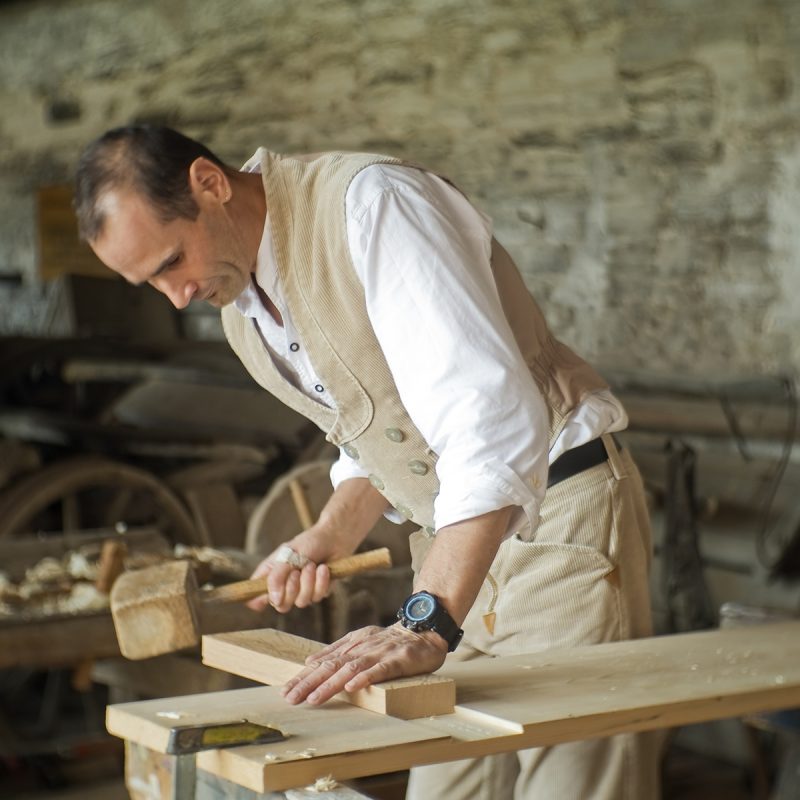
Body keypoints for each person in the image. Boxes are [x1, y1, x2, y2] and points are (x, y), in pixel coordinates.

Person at [74, 125, 659, 799]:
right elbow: (373, 422)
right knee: (448, 784)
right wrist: (330, 534)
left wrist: (427, 620)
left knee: (573, 784)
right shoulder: (242, 304)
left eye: (171, 261)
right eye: (148, 283)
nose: (175, 296)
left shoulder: (373, 206)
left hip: (560, 527)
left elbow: (490, 421)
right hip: (463, 547)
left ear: (210, 184)